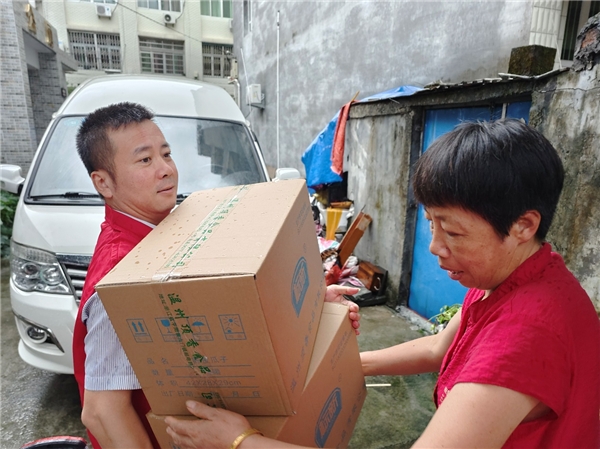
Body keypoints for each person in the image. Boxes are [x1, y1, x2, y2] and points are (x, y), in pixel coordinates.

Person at [164, 119, 600, 449]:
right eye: (431, 224)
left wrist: (242, 442)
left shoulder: (529, 331)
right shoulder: (515, 276)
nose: (435, 247)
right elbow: (436, 349)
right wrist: (331, 361)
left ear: (523, 225)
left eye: (453, 231)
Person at [72, 102, 361, 449]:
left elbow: (220, 314)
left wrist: (310, 310)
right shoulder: (120, 275)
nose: (165, 169)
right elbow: (102, 412)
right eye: (145, 160)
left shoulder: (170, 231)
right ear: (103, 182)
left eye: (166, 154)